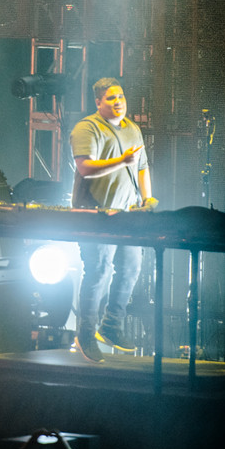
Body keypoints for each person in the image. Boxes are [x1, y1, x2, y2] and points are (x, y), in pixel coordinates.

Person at [71, 78, 156, 362]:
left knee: (131, 268)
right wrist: (121, 161)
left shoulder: (133, 129)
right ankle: (85, 333)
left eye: (120, 96)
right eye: (110, 98)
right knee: (98, 273)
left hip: (127, 214)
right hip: (96, 214)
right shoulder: (87, 128)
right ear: (98, 102)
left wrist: (147, 197)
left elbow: (142, 167)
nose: (118, 101)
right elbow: (85, 169)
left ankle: (111, 327)